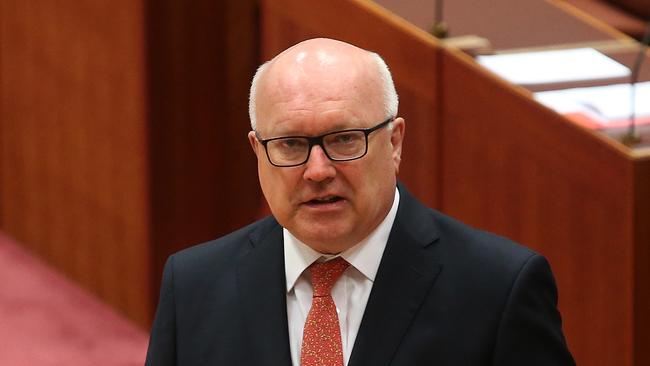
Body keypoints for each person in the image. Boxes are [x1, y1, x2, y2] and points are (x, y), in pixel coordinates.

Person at [145, 38, 575, 366]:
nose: (317, 170)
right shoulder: (193, 286)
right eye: (292, 144)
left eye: (344, 139)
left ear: (395, 142)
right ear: (258, 151)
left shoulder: (498, 290)